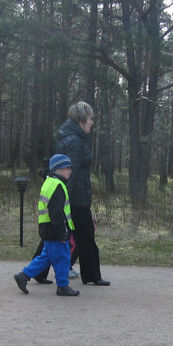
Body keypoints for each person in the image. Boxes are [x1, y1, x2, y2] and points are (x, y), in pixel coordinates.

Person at [57, 101, 109, 286]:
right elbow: (71, 173)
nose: (92, 122)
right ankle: (93, 275)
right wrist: (63, 201)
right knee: (86, 237)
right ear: (81, 119)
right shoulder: (75, 142)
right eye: (90, 118)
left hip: (75, 197)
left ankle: (34, 272)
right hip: (76, 199)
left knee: (55, 236)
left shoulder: (72, 139)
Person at [14, 154, 79, 297]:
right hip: (55, 231)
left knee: (46, 257)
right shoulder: (57, 186)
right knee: (62, 258)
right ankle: (62, 286)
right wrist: (62, 234)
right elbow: (57, 213)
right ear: (58, 169)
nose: (70, 170)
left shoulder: (49, 182)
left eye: (70, 167)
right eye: (67, 167)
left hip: (47, 229)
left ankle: (23, 276)